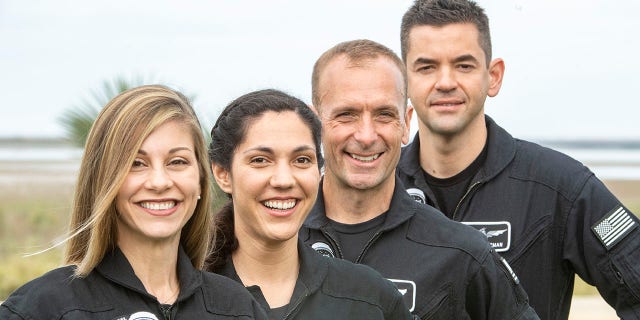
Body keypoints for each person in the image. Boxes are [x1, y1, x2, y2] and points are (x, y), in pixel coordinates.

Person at [397, 0, 640, 319]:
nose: (445, 82)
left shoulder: (560, 187)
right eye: (426, 67)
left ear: (493, 76)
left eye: (464, 65)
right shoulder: (378, 188)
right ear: (402, 81)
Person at [300, 39, 539, 319]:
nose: (366, 136)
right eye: (347, 115)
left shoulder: (462, 253)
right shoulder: (273, 240)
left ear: (406, 123)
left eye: (384, 115)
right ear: (314, 125)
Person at [0, 85, 267, 319]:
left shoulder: (236, 307)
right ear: (105, 180)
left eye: (177, 162)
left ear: (199, 180)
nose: (159, 182)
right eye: (136, 164)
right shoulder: (45, 307)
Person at [206, 89, 412, 319]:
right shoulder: (183, 297)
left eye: (301, 160)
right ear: (223, 174)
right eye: (261, 160)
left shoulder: (370, 299)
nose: (284, 180)